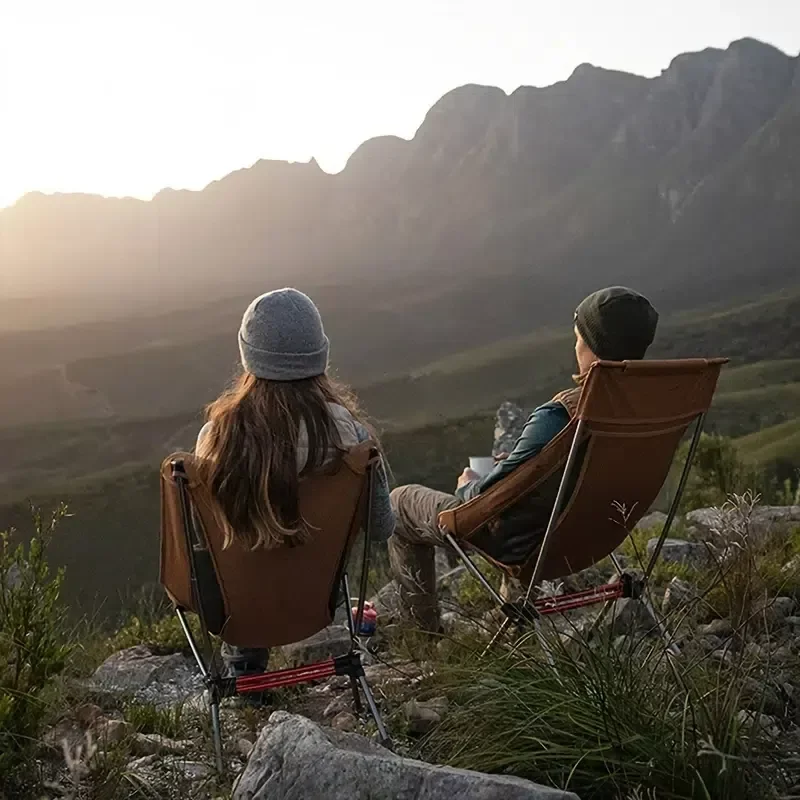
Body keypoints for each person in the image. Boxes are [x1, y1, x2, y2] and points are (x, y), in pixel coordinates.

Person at [388, 286, 659, 632]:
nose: (574, 346)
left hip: (529, 541)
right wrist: (520, 466)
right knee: (517, 484)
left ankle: (423, 637)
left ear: (594, 346)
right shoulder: (646, 409)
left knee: (399, 502)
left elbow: (492, 499)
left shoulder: (561, 415)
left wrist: (469, 488)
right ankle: (511, 613)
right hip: (599, 531)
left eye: (578, 338)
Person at [195, 288, 395, 677]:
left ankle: (245, 677)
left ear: (248, 356)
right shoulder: (351, 438)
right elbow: (382, 527)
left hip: (239, 608)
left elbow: (199, 538)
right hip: (316, 602)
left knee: (232, 556)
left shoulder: (214, 439)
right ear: (319, 354)